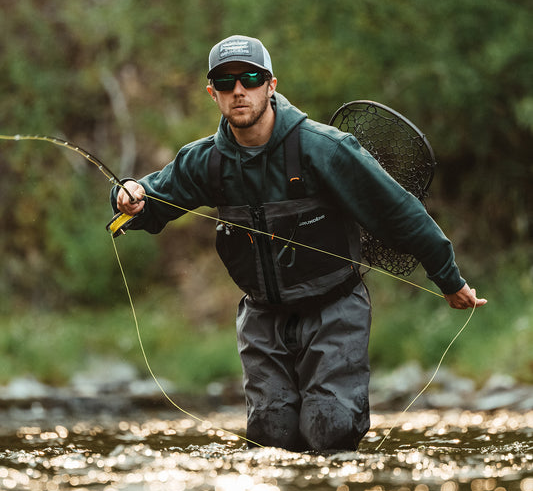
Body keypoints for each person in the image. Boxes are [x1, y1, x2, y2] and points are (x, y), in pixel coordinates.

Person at [112, 35, 487, 452]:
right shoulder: (205, 162)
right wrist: (126, 196)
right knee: (270, 439)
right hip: (262, 318)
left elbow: (401, 214)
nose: (239, 90)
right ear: (212, 93)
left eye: (250, 78)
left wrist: (448, 280)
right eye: (225, 81)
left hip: (334, 310)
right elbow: (147, 201)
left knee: (330, 431)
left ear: (270, 85)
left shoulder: (323, 149)